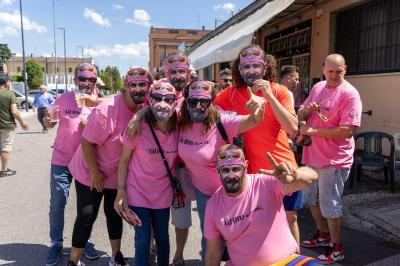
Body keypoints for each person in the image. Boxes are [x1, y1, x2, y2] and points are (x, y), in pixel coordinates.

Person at [214, 45, 304, 247]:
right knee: (260, 224)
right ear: (240, 68)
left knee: (290, 219)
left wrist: (269, 96)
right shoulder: (232, 94)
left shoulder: (279, 91)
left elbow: (292, 128)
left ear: (265, 68)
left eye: (256, 65)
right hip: (254, 173)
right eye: (246, 66)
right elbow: (206, 109)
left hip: (284, 167)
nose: (252, 71)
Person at [66, 67, 153, 266]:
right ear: (125, 87)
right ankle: (73, 260)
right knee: (87, 215)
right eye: (133, 85)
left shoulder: (144, 104)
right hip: (90, 169)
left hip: (116, 172)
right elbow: (86, 142)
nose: (139, 89)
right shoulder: (108, 109)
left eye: (143, 85)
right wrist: (95, 173)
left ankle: (116, 256)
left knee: (114, 213)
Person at [204, 144, 318, 265]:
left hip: (286, 261)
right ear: (218, 171)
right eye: (225, 170)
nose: (231, 176)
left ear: (246, 167)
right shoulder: (213, 205)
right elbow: (212, 254)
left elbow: (312, 176)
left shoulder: (265, 183)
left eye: (236, 169)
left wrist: (296, 175)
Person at [298, 54, 362, 264]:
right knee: (311, 200)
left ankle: (337, 247)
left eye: (339, 71)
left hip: (334, 160)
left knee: (330, 205)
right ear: (323, 69)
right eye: (330, 71)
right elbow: (302, 113)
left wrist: (312, 130)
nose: (334, 75)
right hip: (312, 156)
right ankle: (322, 234)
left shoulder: (350, 94)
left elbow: (346, 131)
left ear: (346, 69)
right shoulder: (318, 88)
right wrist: (306, 110)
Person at [116, 80, 179, 266]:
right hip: (138, 192)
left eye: (168, 99)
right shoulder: (137, 127)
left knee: (162, 237)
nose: (163, 103)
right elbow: (124, 160)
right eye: (157, 98)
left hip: (163, 193)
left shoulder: (179, 125)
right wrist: (121, 191)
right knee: (143, 238)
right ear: (150, 101)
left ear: (175, 102)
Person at [44, 63, 101, 266]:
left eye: (91, 79)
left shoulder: (99, 103)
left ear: (96, 81)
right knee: (58, 203)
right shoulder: (62, 98)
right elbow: (49, 123)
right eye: (82, 79)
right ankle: (56, 243)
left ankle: (83, 242)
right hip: (62, 160)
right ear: (75, 80)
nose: (86, 83)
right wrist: (47, 119)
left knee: (87, 209)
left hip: (87, 162)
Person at [0, 73, 28, 177]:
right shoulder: (10, 94)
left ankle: (4, 168)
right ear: (6, 83)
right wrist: (22, 122)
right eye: (9, 81)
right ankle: (4, 170)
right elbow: (14, 112)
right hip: (7, 125)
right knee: (5, 147)